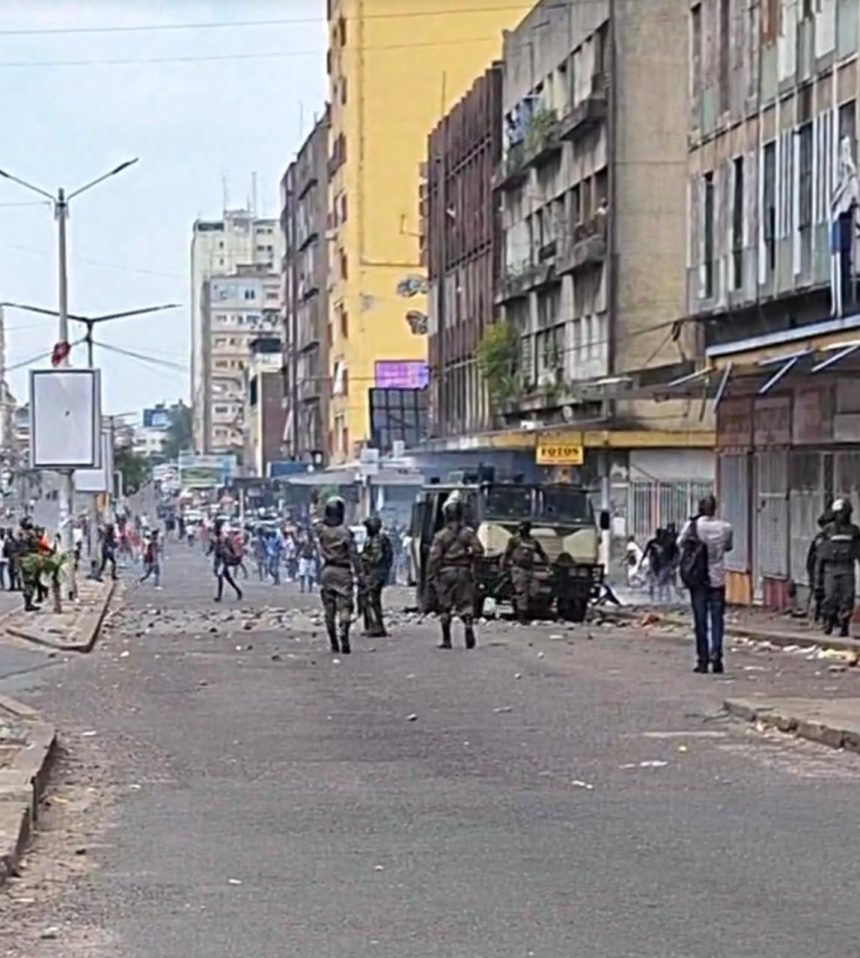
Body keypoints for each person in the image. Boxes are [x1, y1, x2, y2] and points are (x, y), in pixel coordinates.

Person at [678, 495, 733, 674]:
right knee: (717, 619)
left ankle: (703, 660)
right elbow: (728, 547)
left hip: (698, 578)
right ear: (715, 508)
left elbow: (680, 543)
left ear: (700, 508)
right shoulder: (725, 527)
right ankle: (716, 654)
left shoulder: (692, 526)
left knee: (700, 621)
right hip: (717, 578)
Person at [427, 498, 484, 650]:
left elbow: (434, 558)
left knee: (445, 606)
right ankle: (468, 628)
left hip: (446, 573)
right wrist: (470, 559)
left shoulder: (441, 536)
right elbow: (479, 551)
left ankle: (447, 640)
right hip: (464, 572)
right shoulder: (468, 533)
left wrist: (431, 576)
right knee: (465, 604)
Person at [315, 496, 364, 654]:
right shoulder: (345, 533)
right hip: (343, 571)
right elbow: (354, 556)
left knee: (329, 610)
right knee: (345, 606)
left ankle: (333, 642)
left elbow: (318, 523)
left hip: (327, 571)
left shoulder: (322, 531)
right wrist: (360, 574)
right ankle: (344, 630)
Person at [818, 498, 860, 637]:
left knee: (847, 597)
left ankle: (844, 624)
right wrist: (818, 577)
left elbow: (858, 549)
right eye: (842, 513)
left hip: (847, 567)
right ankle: (828, 621)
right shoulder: (828, 530)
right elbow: (820, 554)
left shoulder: (854, 531)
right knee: (830, 597)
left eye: (846, 513)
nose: (844, 516)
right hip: (831, 567)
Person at [503, 520, 548, 623]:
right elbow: (507, 553)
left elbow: (542, 553)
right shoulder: (514, 540)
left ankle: (526, 609)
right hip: (518, 569)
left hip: (530, 569)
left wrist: (548, 565)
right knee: (522, 592)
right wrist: (504, 566)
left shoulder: (533, 542)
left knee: (534, 591)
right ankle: (521, 618)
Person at [361, 516, 393, 637]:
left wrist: (363, 557)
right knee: (373, 600)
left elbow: (376, 558)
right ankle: (375, 626)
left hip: (375, 573)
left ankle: (375, 627)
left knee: (370, 599)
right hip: (376, 573)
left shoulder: (377, 540)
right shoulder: (375, 538)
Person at [208, 520, 243, 602]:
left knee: (220, 577)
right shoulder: (218, 537)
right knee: (228, 578)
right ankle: (238, 592)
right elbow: (214, 547)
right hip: (219, 559)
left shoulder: (222, 537)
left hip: (222, 559)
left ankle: (219, 597)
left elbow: (226, 547)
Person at [640, 528, 670, 602]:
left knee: (661, 580)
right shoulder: (653, 542)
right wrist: (641, 561)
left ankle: (661, 596)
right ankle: (653, 597)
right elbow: (646, 552)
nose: (660, 535)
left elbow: (669, 553)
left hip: (662, 563)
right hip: (654, 562)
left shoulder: (665, 542)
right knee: (653, 580)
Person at [17, 518, 41, 612]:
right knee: (29, 583)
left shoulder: (23, 534)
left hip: (27, 560)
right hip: (28, 561)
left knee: (30, 583)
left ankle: (29, 603)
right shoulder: (27, 535)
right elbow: (35, 545)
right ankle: (28, 604)